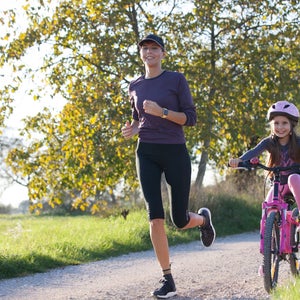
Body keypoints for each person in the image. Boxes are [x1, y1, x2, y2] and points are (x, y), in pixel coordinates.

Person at [121, 33, 216, 299]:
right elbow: (139, 119)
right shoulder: (134, 85)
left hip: (174, 151)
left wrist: (162, 111)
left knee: (179, 219)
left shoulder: (176, 79)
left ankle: (203, 219)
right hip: (147, 152)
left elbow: (191, 118)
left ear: (163, 53)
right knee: (155, 216)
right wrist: (133, 129)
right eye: (145, 48)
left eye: (154, 48)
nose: (149, 52)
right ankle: (168, 279)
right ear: (141, 53)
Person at [229, 100, 300, 211]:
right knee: (267, 209)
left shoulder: (298, 142)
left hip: (296, 184)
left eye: (284, 123)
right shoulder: (269, 142)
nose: (280, 127)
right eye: (276, 123)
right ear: (272, 125)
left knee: (293, 178)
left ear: (292, 124)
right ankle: (268, 226)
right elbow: (254, 151)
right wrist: (240, 159)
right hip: (278, 185)